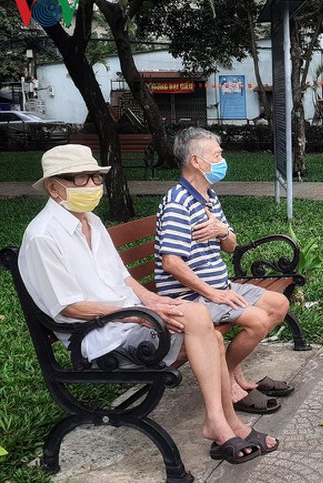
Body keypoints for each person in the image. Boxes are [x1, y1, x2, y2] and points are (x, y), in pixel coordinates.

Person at [19, 145, 279, 463]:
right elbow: (68, 308)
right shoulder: (44, 236)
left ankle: (223, 423)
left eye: (95, 178)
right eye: (81, 179)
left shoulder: (90, 221)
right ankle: (220, 423)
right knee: (200, 319)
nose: (92, 186)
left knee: (209, 333)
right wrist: (141, 315)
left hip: (129, 321)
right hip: (102, 338)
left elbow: (123, 278)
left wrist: (153, 300)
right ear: (53, 186)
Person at [155, 128, 294, 415]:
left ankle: (230, 374)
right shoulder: (178, 204)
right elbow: (171, 262)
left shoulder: (209, 196)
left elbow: (231, 245)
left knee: (279, 304)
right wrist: (213, 294)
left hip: (221, 286)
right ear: (196, 161)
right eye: (216, 155)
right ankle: (228, 384)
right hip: (192, 298)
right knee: (256, 321)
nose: (222, 160)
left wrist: (222, 230)